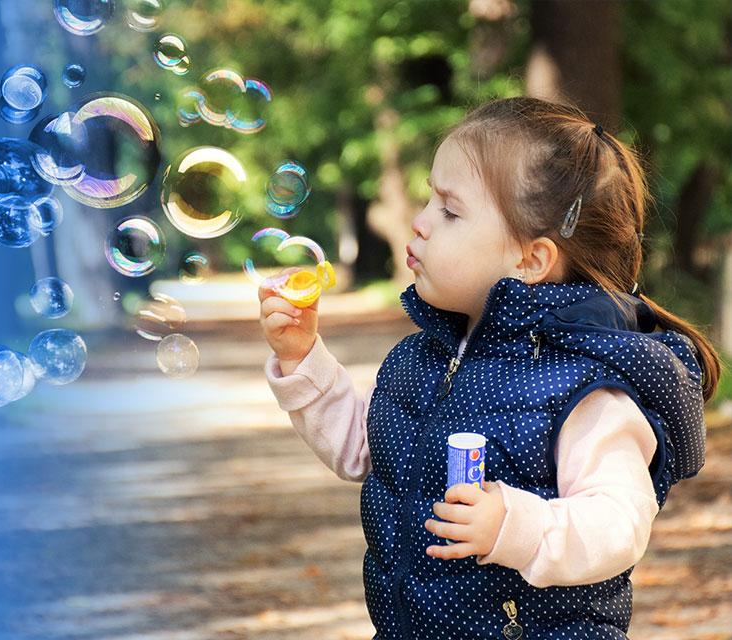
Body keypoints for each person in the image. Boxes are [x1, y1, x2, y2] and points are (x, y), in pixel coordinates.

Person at [259, 96, 722, 639]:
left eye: (450, 211)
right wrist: (301, 357)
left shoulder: (583, 387)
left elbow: (619, 522)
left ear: (530, 260)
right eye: (431, 200)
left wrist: (516, 526)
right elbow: (365, 448)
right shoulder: (422, 357)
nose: (420, 222)